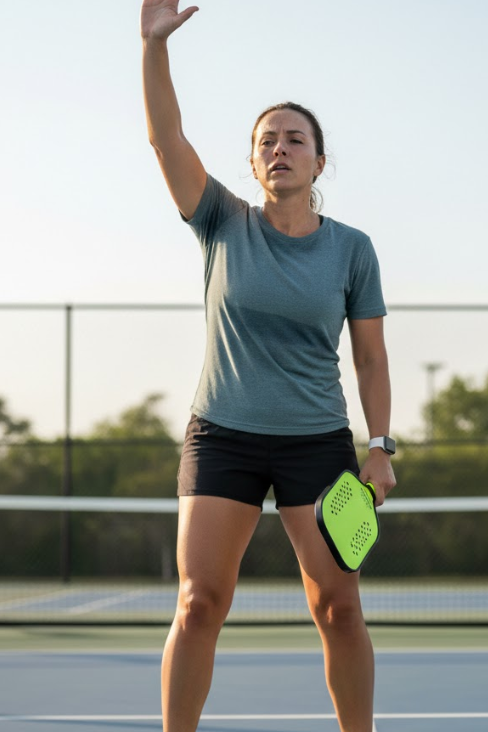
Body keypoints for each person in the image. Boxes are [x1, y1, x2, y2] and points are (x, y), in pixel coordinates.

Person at [140, 3, 397, 731]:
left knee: (339, 608)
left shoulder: (353, 249)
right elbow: (165, 140)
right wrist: (154, 47)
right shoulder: (222, 220)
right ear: (253, 163)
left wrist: (380, 447)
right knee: (199, 603)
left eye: (295, 138)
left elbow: (371, 357)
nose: (280, 148)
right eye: (267, 141)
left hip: (317, 443)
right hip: (222, 436)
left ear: (320, 159)